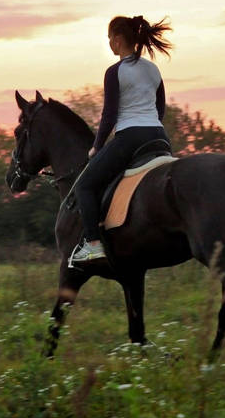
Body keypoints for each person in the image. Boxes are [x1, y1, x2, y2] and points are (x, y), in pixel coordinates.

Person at [70, 15, 173, 264]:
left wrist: (97, 146)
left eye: (109, 39)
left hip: (131, 136)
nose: (109, 44)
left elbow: (110, 114)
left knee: (84, 185)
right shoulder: (153, 69)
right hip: (159, 136)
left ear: (117, 39)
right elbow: (161, 108)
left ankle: (94, 244)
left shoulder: (115, 71)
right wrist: (150, 123)